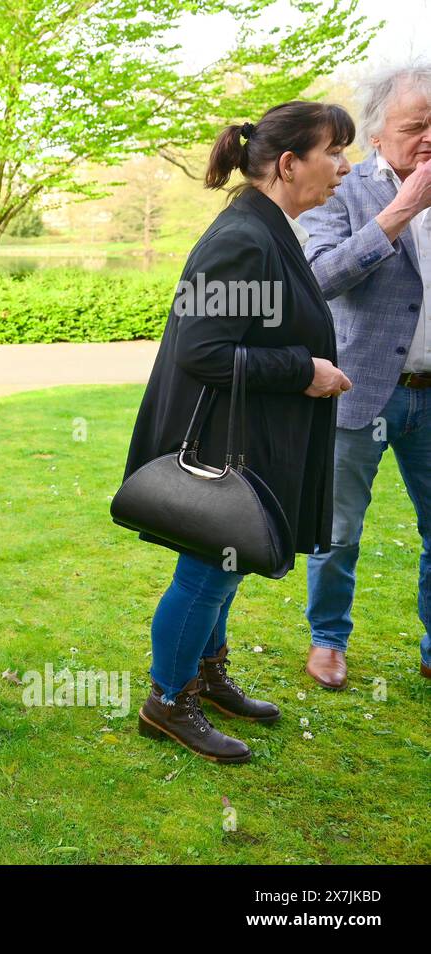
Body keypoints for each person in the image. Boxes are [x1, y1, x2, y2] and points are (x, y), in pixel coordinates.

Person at [122, 102, 355, 762]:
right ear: (288, 164)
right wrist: (303, 370)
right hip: (225, 444)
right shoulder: (242, 239)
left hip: (247, 438)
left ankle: (207, 674)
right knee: (205, 574)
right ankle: (168, 701)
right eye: (333, 152)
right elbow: (203, 351)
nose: (343, 167)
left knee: (228, 563)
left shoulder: (267, 228)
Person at [301, 64, 431, 688]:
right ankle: (328, 639)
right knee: (339, 528)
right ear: (378, 134)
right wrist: (401, 211)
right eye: (417, 125)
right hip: (359, 390)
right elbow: (318, 277)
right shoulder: (344, 189)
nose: (430, 136)